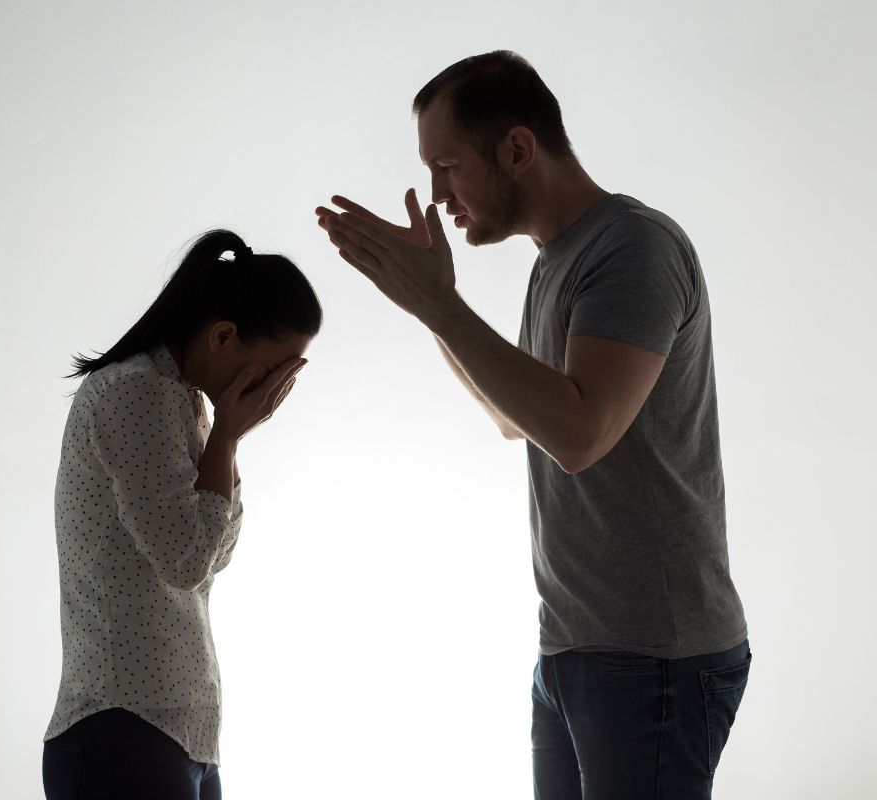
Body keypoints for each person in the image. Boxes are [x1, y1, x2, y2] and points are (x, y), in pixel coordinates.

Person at [316, 51, 749, 799]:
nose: (437, 192)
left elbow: (581, 435)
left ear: (517, 149)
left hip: (655, 659)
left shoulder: (633, 248)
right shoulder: (556, 261)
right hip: (574, 649)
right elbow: (515, 419)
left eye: (447, 165)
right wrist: (434, 308)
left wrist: (440, 306)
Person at [41, 229, 322, 800]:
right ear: (223, 336)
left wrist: (227, 440)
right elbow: (186, 561)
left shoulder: (183, 400)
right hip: (122, 727)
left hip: (177, 731)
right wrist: (227, 437)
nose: (273, 391)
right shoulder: (135, 393)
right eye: (274, 369)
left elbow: (218, 551)